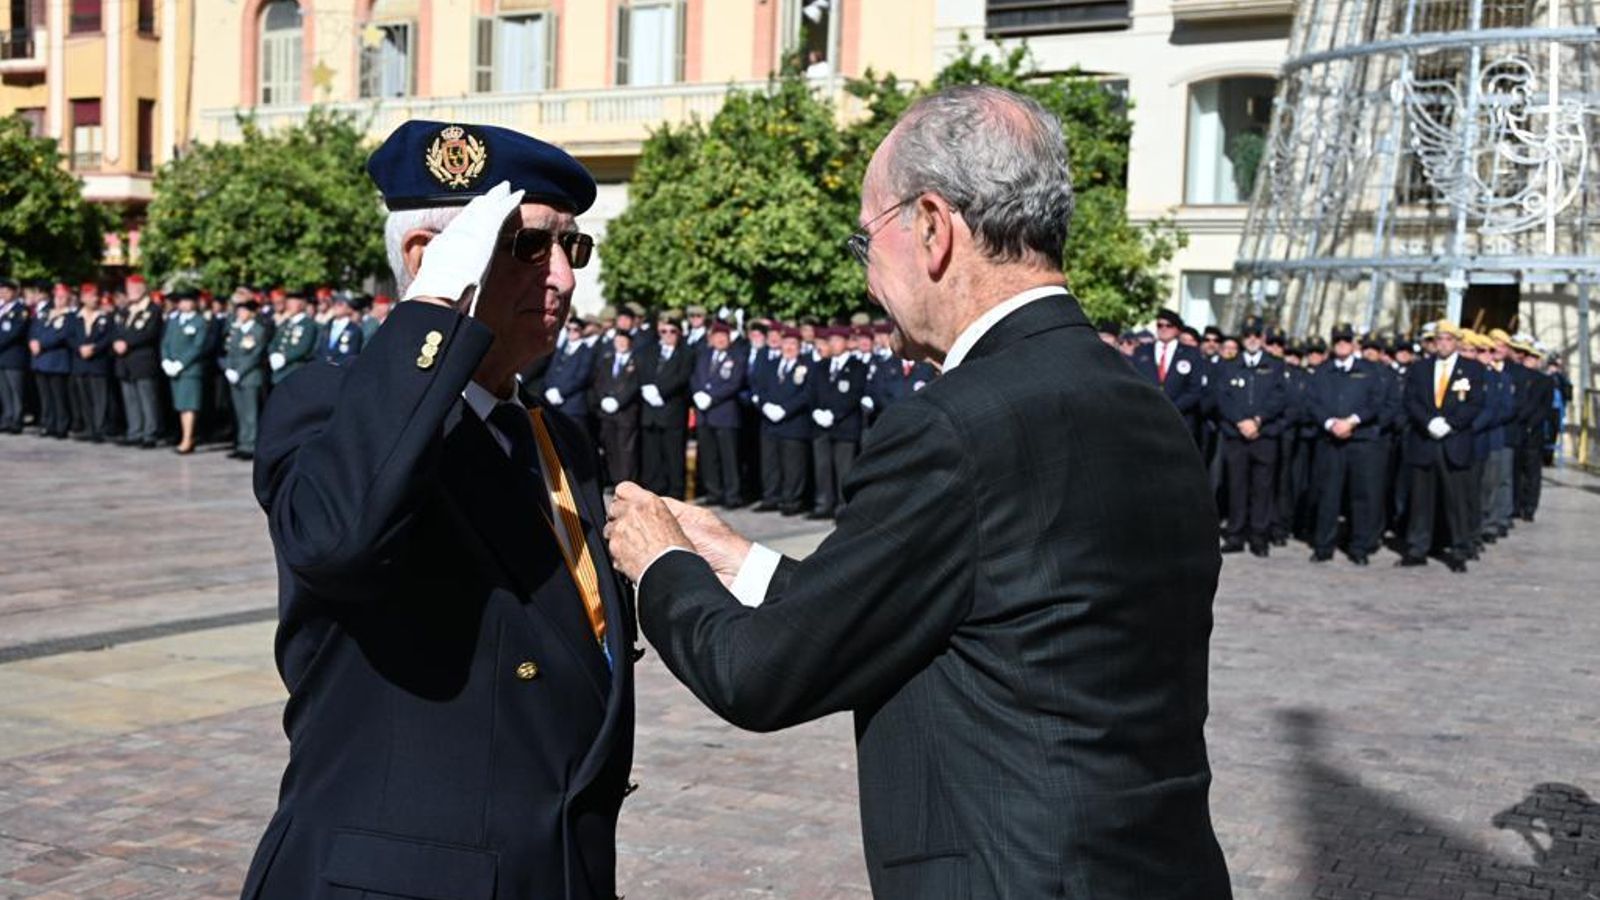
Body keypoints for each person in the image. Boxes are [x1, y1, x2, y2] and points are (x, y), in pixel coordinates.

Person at [605, 85, 1231, 899]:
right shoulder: (1136, 397)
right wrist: (738, 559)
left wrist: (660, 563)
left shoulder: (951, 424)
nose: (867, 280)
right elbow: (973, 609)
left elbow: (759, 675)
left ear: (933, 227)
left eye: (868, 239)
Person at [240, 122, 635, 900]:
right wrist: (431, 314)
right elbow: (337, 541)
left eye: (572, 248)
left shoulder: (555, 436)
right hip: (408, 879)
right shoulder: (329, 408)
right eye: (528, 246)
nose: (562, 277)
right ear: (430, 259)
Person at [1399, 320, 1484, 571]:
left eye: (1449, 339)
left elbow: (1475, 403)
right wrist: (1428, 422)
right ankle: (1418, 548)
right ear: (1433, 342)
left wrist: (1451, 423)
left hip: (1454, 441)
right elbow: (1411, 400)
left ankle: (1459, 550)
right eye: (1439, 339)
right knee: (1421, 500)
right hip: (1425, 440)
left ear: (1456, 342)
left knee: (1456, 500)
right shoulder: (1420, 369)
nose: (1444, 344)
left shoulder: (1472, 369)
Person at [1306, 324, 1385, 565]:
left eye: (1346, 339)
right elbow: (1312, 402)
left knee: (1361, 496)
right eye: (1338, 339)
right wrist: (1330, 423)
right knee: (1328, 495)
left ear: (1354, 344)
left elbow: (1376, 402)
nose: (1342, 343)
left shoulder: (1369, 370)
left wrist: (1351, 422)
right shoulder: (1322, 371)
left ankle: (1359, 547)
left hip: (1360, 440)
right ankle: (1323, 546)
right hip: (1330, 440)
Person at [1212, 316, 1286, 556]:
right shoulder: (1228, 365)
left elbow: (1279, 398)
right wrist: (1240, 421)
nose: (1252, 339)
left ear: (1263, 338)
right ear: (1242, 338)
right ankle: (1235, 534)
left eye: (1256, 334)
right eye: (1248, 335)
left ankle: (1258, 536)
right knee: (1237, 486)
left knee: (1262, 488)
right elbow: (1222, 397)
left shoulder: (1275, 365)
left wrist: (1257, 420)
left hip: (1263, 435)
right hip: (1236, 435)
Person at [807, 327, 866, 519]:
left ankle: (844, 508)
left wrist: (835, 414)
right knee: (822, 467)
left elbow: (854, 394)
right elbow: (811, 391)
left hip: (844, 426)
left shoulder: (857, 366)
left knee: (844, 469)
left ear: (847, 342)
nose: (833, 344)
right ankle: (823, 504)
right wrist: (815, 411)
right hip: (820, 426)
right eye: (830, 340)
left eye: (837, 340)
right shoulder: (821, 366)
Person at [690, 322, 747, 508]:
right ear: (711, 339)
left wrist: (712, 397)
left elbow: (734, 382)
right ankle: (714, 492)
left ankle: (732, 495)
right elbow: (695, 377)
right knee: (709, 456)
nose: (721, 339)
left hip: (724, 414)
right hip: (704, 415)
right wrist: (697, 393)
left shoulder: (737, 357)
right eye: (717, 336)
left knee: (729, 457)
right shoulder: (703, 356)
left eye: (724, 336)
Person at [756, 328, 812, 515]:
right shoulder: (770, 364)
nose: (789, 347)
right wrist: (765, 405)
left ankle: (791, 501)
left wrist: (785, 410)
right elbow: (760, 387)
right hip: (769, 422)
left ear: (799, 347)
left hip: (793, 423)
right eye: (786, 343)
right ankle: (771, 497)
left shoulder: (807, 365)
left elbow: (807, 393)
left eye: (793, 344)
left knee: (793, 465)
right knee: (770, 462)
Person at [1131, 308, 1207, 444]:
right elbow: (1134, 382)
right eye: (1160, 325)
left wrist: (1170, 409)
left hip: (1180, 419)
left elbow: (1194, 390)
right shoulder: (1142, 351)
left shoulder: (1191, 354)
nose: (1163, 329)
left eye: (1168, 325)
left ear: (1177, 329)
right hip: (1148, 418)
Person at [638, 313, 692, 500]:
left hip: (671, 411)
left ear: (679, 332)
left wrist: (661, 391)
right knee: (653, 455)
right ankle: (655, 491)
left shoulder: (686, 352)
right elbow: (642, 370)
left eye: (672, 331)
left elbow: (683, 376)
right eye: (663, 331)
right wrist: (647, 389)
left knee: (674, 455)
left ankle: (676, 492)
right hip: (650, 412)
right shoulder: (651, 351)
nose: (667, 335)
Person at [110, 274, 163, 448]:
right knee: (130, 399)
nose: (130, 292)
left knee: (147, 399)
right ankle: (134, 431)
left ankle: (150, 433)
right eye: (128, 289)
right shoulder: (124, 311)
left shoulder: (152, 310)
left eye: (133, 288)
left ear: (142, 288)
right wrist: (117, 342)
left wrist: (127, 342)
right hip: (125, 361)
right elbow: (116, 329)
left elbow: (149, 333)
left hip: (142, 360)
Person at [160, 289, 209, 454]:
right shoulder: (173, 320)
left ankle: (187, 439)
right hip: (173, 368)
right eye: (182, 301)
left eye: (188, 301)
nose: (185, 304)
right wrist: (166, 360)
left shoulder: (199, 321)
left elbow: (198, 346)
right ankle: (184, 436)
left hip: (189, 370)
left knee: (189, 405)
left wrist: (181, 363)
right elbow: (165, 342)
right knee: (180, 405)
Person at [223, 296, 270, 460]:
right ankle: (242, 444)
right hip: (235, 377)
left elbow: (255, 355)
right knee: (240, 413)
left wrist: (240, 371)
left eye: (243, 310)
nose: (240, 313)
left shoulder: (258, 330)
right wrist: (228, 368)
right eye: (239, 310)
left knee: (251, 414)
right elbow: (230, 351)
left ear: (251, 313)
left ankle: (252, 445)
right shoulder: (237, 330)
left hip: (250, 376)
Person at [593, 329, 641, 486]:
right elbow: (598, 382)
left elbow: (635, 385)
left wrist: (619, 401)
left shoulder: (637, 361)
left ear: (630, 343)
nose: (620, 344)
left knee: (626, 449)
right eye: (617, 341)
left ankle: (626, 484)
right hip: (607, 412)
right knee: (611, 448)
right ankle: (615, 482)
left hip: (625, 413)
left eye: (624, 341)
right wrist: (603, 399)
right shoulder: (607, 360)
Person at [66, 283, 114, 442]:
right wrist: (79, 348)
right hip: (80, 361)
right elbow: (69, 336)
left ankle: (99, 428)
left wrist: (95, 347)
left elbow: (109, 336)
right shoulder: (74, 317)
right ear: (83, 298)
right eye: (90, 296)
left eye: (95, 296)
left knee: (99, 397)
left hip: (98, 362)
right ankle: (88, 427)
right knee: (83, 396)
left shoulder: (105, 317)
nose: (94, 299)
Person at [28, 292, 72, 439]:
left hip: (56, 360)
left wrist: (42, 344)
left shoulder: (70, 316)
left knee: (58, 396)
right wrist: (33, 341)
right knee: (45, 396)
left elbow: (61, 335)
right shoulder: (45, 313)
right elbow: (34, 329)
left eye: (62, 297)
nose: (59, 300)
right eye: (57, 297)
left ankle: (61, 425)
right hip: (40, 359)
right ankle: (47, 423)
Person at [544, 316, 599, 432]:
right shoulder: (561, 349)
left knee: (575, 442)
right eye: (569, 329)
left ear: (582, 331)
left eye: (576, 329)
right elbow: (550, 371)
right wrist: (549, 389)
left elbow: (582, 377)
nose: (571, 332)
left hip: (573, 406)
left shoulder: (587, 351)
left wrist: (561, 392)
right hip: (554, 403)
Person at [266, 288, 318, 386]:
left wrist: (284, 358)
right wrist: (273, 354)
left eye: (293, 302)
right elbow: (274, 341)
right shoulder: (286, 323)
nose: (289, 305)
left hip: (295, 370)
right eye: (288, 302)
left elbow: (303, 348)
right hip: (279, 372)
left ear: (302, 304)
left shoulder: (308, 324)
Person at [0, 277, 29, 433]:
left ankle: (17, 419)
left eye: (6, 290)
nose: (2, 293)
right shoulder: (2, 309)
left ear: (13, 292)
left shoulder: (20, 310)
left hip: (13, 356)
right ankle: (7, 417)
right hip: (2, 357)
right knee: (4, 390)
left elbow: (14, 333)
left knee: (15, 390)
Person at [315, 293, 364, 364]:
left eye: (340, 304)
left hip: (340, 369)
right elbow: (319, 348)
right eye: (334, 304)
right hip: (322, 366)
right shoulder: (327, 326)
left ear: (349, 309)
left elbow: (352, 353)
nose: (335, 307)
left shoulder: (354, 330)